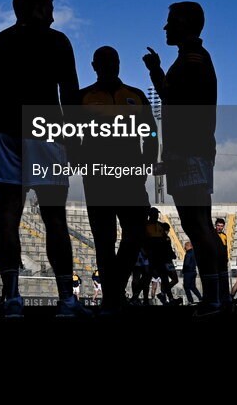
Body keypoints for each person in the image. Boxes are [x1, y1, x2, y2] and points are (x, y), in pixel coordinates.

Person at [0, 0, 87, 318]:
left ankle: (11, 299)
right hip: (46, 132)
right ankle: (66, 300)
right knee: (54, 218)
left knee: (8, 215)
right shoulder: (57, 41)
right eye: (49, 6)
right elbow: (70, 93)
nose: (52, 13)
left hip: (6, 132)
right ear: (36, 7)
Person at [143, 2, 222, 315]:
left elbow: (173, 99)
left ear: (187, 23)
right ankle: (218, 297)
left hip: (189, 152)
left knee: (197, 225)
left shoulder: (191, 59)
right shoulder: (193, 57)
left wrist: (155, 71)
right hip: (194, 151)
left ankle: (214, 298)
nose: (165, 27)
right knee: (199, 224)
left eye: (170, 21)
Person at [75, 46, 156, 314]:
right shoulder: (83, 97)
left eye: (114, 61)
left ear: (119, 64)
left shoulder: (136, 95)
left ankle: (114, 289)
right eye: (104, 61)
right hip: (97, 176)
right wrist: (76, 157)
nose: (110, 65)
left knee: (134, 234)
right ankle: (113, 298)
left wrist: (148, 160)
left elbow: (152, 131)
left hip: (131, 175)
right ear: (94, 65)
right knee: (104, 239)